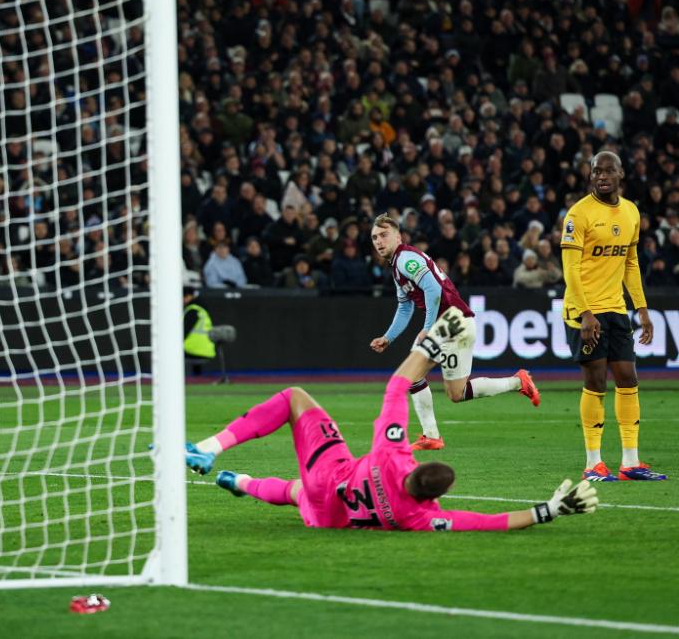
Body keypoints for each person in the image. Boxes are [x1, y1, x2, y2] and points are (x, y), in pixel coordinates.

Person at [185, 308, 598, 532]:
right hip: (333, 517)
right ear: (433, 499)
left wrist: (434, 342)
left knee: (294, 398)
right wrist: (551, 510)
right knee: (297, 493)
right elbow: (490, 522)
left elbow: (397, 385)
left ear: (415, 467)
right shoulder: (421, 518)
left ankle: (212, 449)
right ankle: (238, 482)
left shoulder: (394, 452)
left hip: (332, 476)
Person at [368, 214, 539, 450]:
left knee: (411, 372)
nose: (379, 241)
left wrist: (428, 329)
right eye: (375, 237)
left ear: (398, 236)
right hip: (453, 323)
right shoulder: (398, 265)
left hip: (452, 322)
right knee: (456, 393)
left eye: (384, 235)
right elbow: (405, 306)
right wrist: (388, 337)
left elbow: (433, 289)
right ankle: (518, 382)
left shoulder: (405, 259)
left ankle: (432, 436)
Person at [560, 151, 665, 481]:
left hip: (617, 309)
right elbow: (571, 269)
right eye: (596, 171)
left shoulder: (632, 212)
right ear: (590, 176)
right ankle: (593, 463)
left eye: (609, 170)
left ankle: (630, 462)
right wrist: (586, 313)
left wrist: (642, 309)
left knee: (628, 378)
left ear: (621, 173)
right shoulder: (579, 215)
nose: (602, 176)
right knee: (595, 381)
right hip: (584, 311)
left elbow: (631, 263)